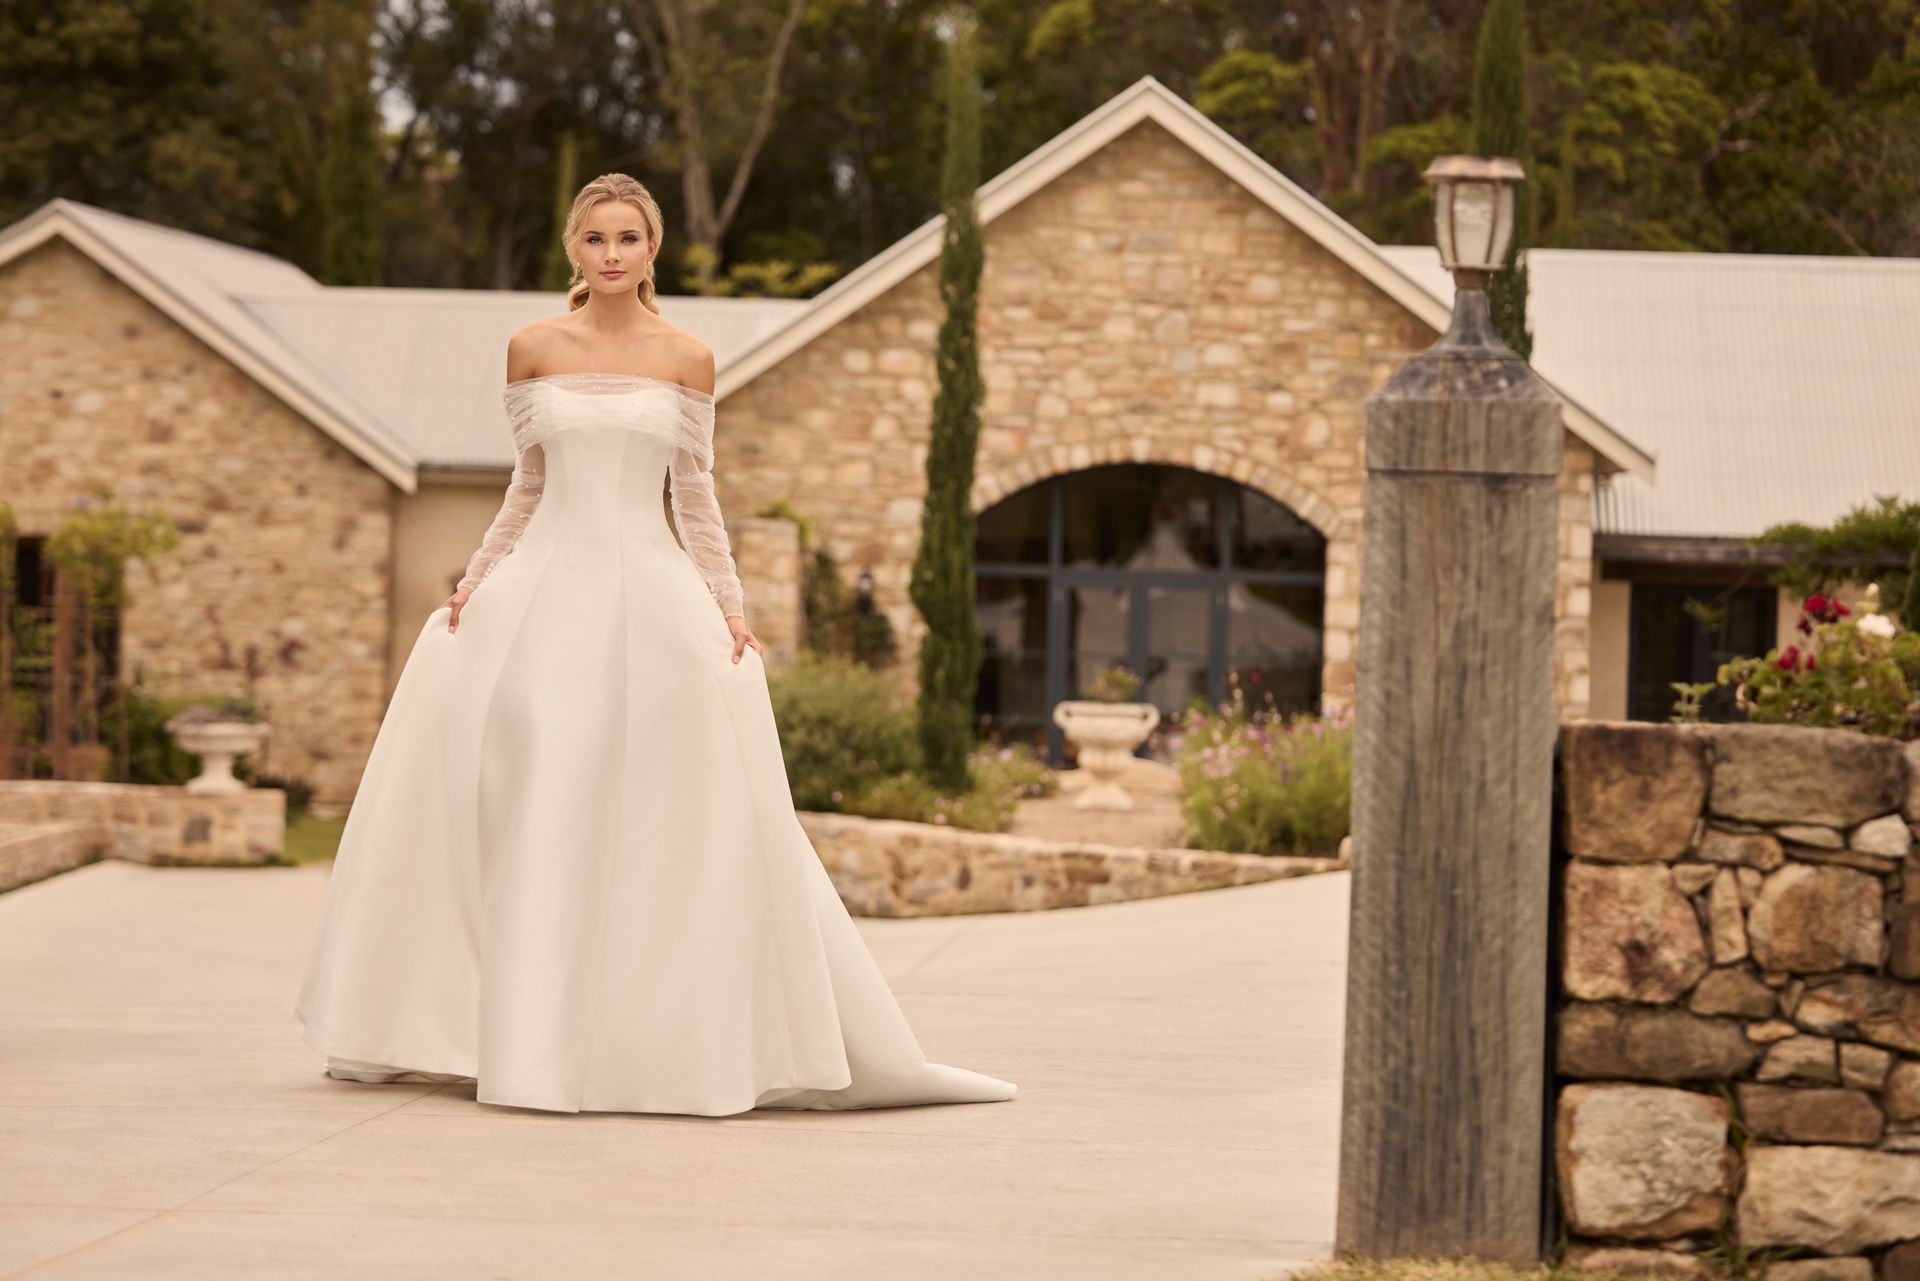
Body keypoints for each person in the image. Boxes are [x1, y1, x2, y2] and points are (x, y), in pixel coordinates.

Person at [293, 173, 1017, 1117]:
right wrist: (474, 578)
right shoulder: (531, 348)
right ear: (573, 248)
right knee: (537, 779)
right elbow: (528, 481)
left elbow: (696, 493)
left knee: (669, 803)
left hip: (650, 590)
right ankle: (518, 1035)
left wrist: (728, 604)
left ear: (651, 249)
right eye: (594, 238)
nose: (610, 254)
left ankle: (648, 1036)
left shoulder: (687, 357)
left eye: (627, 238)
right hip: (538, 597)